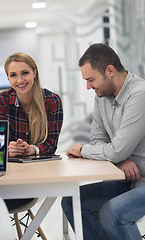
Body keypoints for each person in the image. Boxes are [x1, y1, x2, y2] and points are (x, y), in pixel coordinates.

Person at [62, 43, 145, 240]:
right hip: (126, 179)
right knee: (71, 202)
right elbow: (98, 140)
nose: (88, 87)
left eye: (91, 80)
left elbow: (115, 150)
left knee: (113, 213)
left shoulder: (139, 95)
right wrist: (119, 158)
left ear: (110, 71)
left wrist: (83, 150)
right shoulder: (102, 97)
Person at [0, 52, 63, 209]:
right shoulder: (1, 101)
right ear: (8, 78)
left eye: (25, 73)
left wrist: (32, 148)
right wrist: (9, 149)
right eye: (13, 75)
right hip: (9, 178)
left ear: (34, 72)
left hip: (40, 176)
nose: (20, 80)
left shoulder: (52, 101)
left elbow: (51, 144)